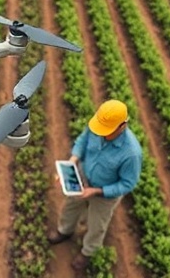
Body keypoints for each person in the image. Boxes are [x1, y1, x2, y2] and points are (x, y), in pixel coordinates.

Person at [48, 99, 142, 271]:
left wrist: (97, 191)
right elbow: (82, 141)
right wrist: (72, 161)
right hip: (83, 176)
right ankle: (65, 231)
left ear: (123, 126)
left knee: (97, 224)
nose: (102, 133)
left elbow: (127, 184)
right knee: (71, 205)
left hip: (105, 194)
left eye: (108, 131)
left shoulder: (131, 154)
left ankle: (88, 252)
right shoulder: (98, 125)